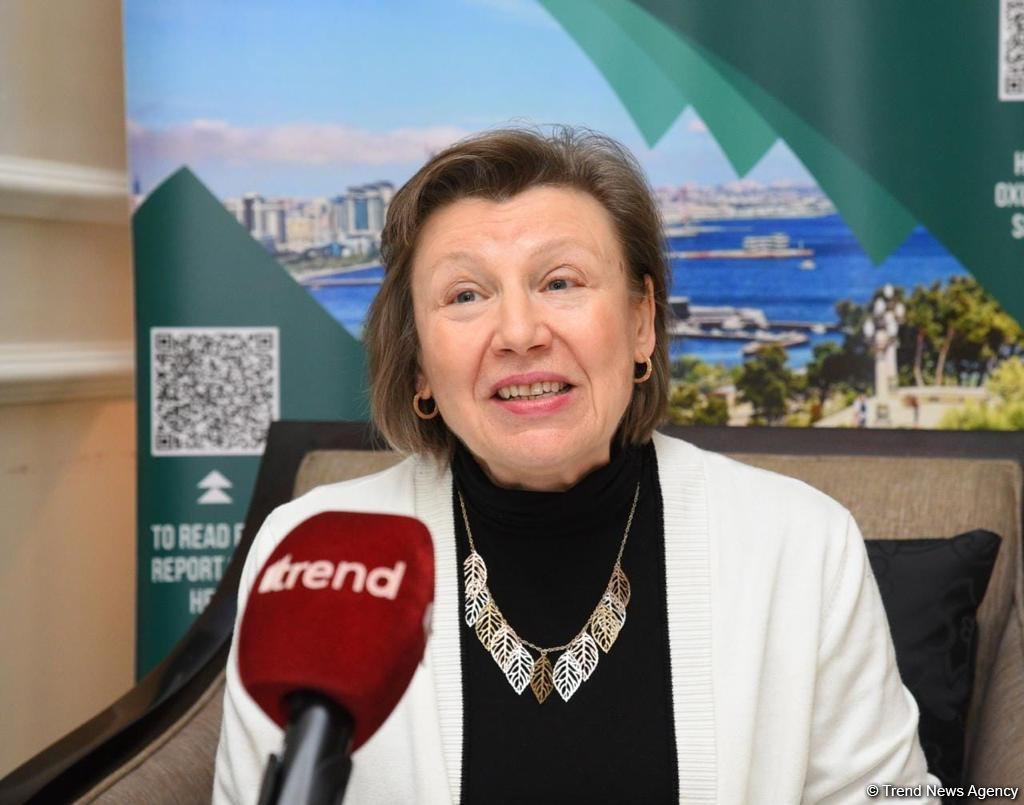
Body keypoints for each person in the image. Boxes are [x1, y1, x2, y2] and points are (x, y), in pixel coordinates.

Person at [213, 127, 937, 804]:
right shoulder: (311, 558)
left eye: (560, 282)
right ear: (419, 363)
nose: (520, 332)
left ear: (642, 321)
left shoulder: (801, 544)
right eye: (466, 295)